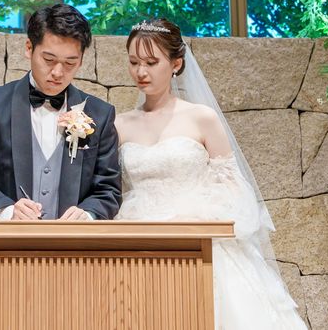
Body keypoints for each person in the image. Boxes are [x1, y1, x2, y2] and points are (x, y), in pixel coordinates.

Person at [115, 18, 307, 329]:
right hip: (139, 240)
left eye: (151, 62)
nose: (141, 71)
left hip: (198, 240)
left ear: (176, 64)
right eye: (134, 62)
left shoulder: (201, 118)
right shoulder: (119, 124)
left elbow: (233, 186)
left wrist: (195, 216)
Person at [0, 4, 122, 312]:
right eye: (49, 60)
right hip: (1, 262)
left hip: (77, 267)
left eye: (70, 63)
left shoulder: (99, 114)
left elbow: (109, 190)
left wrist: (87, 214)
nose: (58, 72)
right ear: (29, 48)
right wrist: (8, 211)